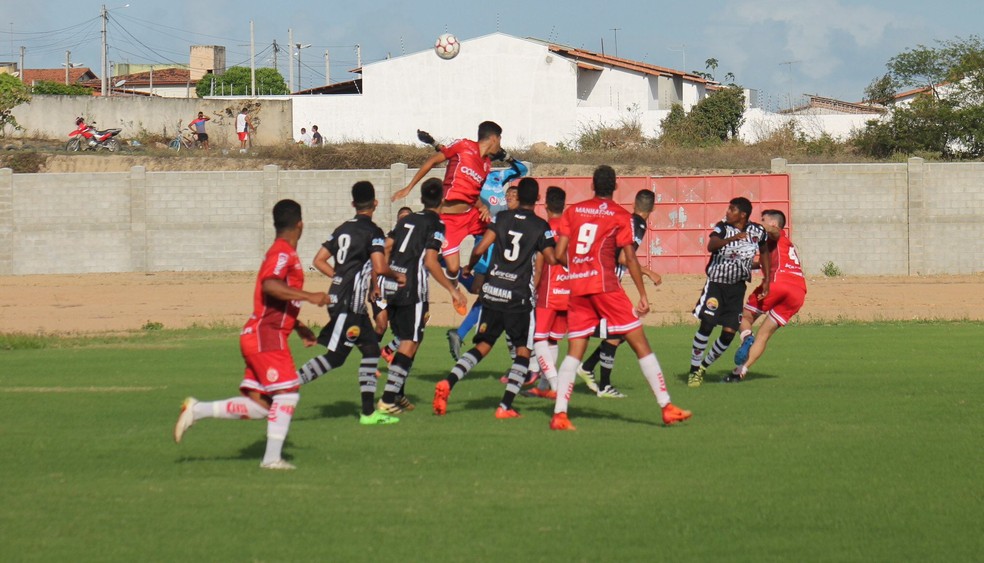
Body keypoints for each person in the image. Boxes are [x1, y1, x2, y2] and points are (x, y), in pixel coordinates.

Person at [173, 199, 328, 470]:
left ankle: (197, 410)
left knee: (262, 406)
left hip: (261, 334)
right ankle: (271, 460)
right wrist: (310, 296)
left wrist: (298, 325)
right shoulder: (282, 253)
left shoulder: (283, 252)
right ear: (300, 225)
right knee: (288, 393)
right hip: (265, 336)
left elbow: (277, 301)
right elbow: (270, 285)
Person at [550, 165, 691, 431]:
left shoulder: (573, 211)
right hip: (605, 286)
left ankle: (559, 415)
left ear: (592, 185)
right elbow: (629, 256)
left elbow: (558, 255)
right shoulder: (619, 215)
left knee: (574, 352)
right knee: (640, 343)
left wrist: (580, 265)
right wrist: (642, 293)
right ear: (615, 187)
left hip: (577, 287)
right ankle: (666, 407)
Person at [433, 177, 557, 419]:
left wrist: (468, 267)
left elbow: (480, 249)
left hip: (492, 291)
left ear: (518, 196)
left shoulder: (501, 219)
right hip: (518, 297)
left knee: (482, 346)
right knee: (523, 351)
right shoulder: (541, 226)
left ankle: (448, 382)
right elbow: (550, 259)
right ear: (538, 199)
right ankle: (505, 407)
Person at [294, 181, 407, 425]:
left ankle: (368, 413)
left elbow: (319, 259)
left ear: (353, 204)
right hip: (348, 303)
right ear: (375, 204)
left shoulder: (341, 229)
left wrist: (339, 277)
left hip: (343, 300)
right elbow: (379, 266)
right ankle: (288, 385)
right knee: (341, 356)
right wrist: (396, 275)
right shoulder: (373, 232)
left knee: (365, 352)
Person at [376, 178, 467, 413]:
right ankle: (387, 400)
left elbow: (386, 247)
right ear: (442, 201)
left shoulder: (407, 220)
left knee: (411, 339)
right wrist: (452, 289)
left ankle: (398, 393)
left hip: (391, 285)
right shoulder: (436, 225)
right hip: (412, 289)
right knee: (410, 342)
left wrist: (383, 277)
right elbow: (430, 261)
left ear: (422, 198)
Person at [391, 121, 503, 284]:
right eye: (500, 139)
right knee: (452, 268)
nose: (500, 145)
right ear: (493, 138)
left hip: (471, 215)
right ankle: (454, 282)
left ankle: (479, 271)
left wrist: (483, 207)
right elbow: (433, 161)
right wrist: (408, 187)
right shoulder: (464, 146)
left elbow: (473, 194)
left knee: (499, 231)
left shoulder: (487, 165)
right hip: (449, 220)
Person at [577, 188, 663, 398]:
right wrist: (648, 272)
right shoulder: (638, 225)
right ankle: (604, 385)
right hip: (607, 283)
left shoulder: (621, 219)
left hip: (595, 278)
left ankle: (588, 367)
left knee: (621, 332)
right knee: (619, 332)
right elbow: (625, 258)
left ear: (634, 203)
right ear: (652, 208)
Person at [446, 153, 529, 361]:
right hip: (484, 235)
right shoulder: (473, 181)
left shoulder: (497, 177)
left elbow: (523, 169)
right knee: (481, 291)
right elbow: (463, 195)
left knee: (485, 294)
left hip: (498, 239)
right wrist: (478, 207)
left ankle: (461, 332)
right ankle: (444, 268)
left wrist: (507, 157)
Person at [687, 197, 770, 387]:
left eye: (731, 209)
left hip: (737, 288)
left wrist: (766, 279)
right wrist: (731, 239)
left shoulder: (758, 231)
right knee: (707, 326)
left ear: (742, 215)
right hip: (716, 285)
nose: (727, 211)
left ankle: (703, 367)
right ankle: (693, 370)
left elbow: (764, 252)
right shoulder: (722, 227)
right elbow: (711, 245)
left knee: (728, 333)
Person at [728, 209, 806, 382]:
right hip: (798, 291)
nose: (760, 222)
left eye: (763, 219)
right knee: (764, 335)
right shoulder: (784, 245)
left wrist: (750, 224)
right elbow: (765, 263)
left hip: (777, 284)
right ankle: (740, 371)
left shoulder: (776, 234)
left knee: (743, 317)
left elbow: (774, 231)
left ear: (772, 223)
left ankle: (747, 338)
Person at [526, 186, 570, 399]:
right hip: (568, 291)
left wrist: (534, 286)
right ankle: (544, 386)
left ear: (545, 205)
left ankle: (554, 384)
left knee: (539, 339)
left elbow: (541, 262)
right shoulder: (572, 228)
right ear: (564, 205)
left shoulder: (544, 228)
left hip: (549, 290)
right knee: (552, 340)